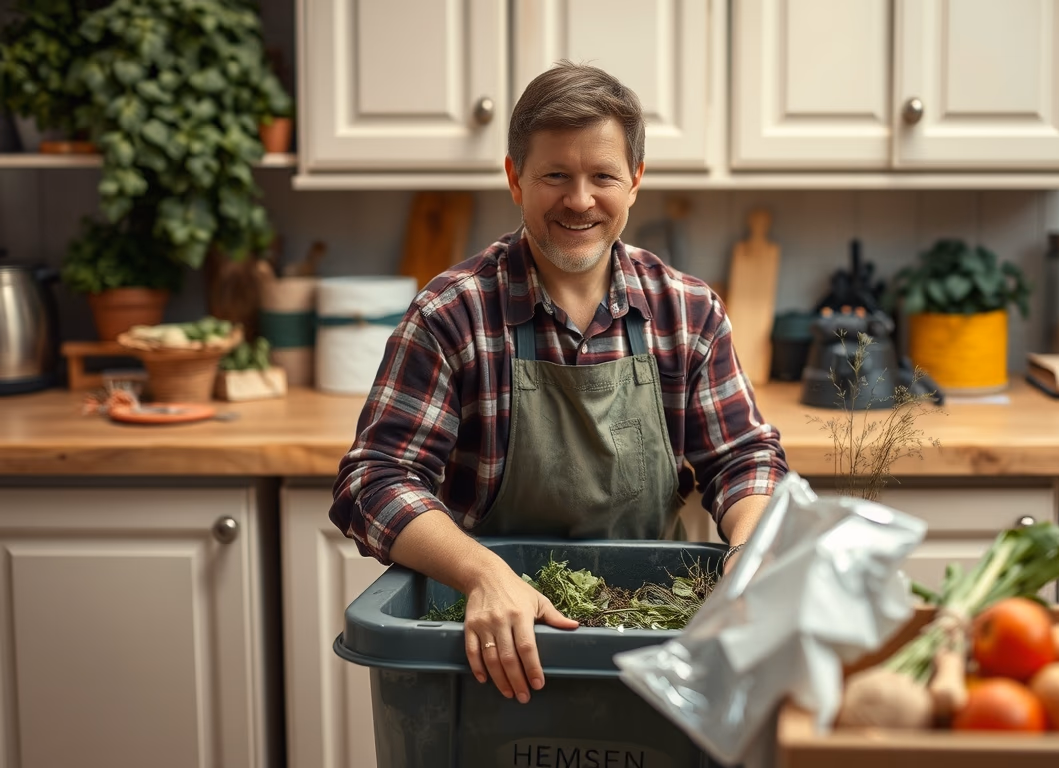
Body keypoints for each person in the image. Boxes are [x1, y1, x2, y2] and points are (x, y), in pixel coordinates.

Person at [328, 61, 789, 705]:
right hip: (490, 644)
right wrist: (484, 574)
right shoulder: (452, 313)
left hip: (652, 635)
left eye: (603, 176)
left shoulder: (687, 311)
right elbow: (374, 481)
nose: (579, 200)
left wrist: (748, 548)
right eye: (555, 176)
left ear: (635, 181)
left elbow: (743, 460)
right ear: (515, 178)